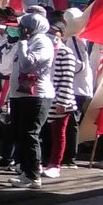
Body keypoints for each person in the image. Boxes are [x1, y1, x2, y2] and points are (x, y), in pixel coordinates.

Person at [5, 9, 55, 189]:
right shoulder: (24, 42)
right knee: (19, 133)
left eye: (23, 26)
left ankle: (34, 175)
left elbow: (27, 65)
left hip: (36, 95)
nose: (19, 29)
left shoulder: (43, 42)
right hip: (19, 94)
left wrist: (23, 43)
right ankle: (26, 172)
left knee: (30, 134)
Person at [44, 18, 81, 176]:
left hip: (60, 98)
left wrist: (63, 101)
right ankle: (44, 161)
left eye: (54, 33)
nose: (51, 35)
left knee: (59, 133)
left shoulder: (66, 52)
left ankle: (55, 164)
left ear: (62, 34)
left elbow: (67, 79)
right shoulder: (45, 49)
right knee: (45, 133)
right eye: (48, 32)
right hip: (45, 96)